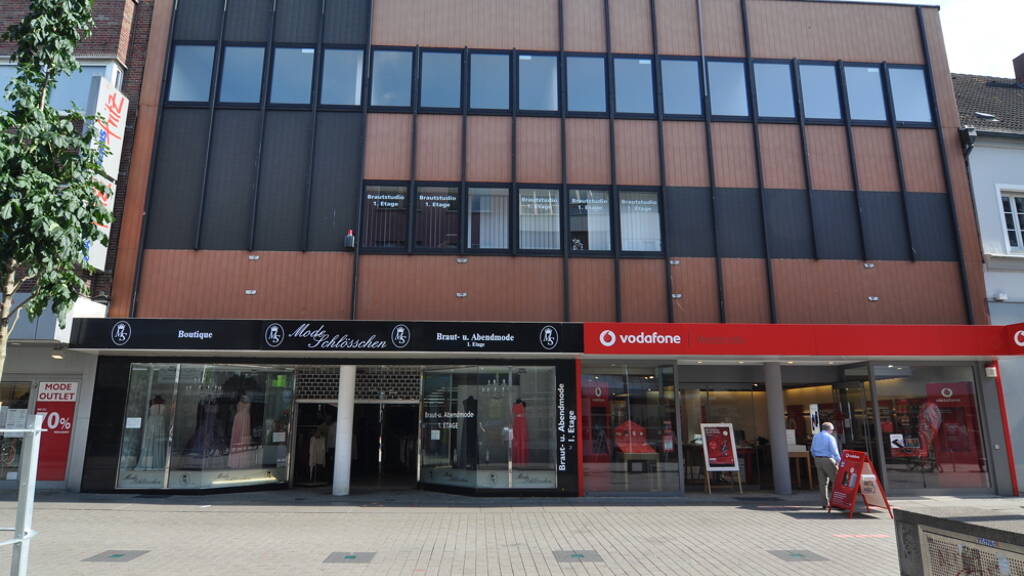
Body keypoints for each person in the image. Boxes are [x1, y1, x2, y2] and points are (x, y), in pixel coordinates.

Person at [811, 422, 842, 509]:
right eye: (832, 430)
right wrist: (839, 462)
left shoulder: (816, 436)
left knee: (822, 483)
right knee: (836, 481)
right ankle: (836, 502)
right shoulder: (830, 437)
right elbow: (834, 451)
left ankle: (824, 503)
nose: (832, 431)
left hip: (817, 459)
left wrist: (816, 458)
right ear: (829, 429)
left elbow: (812, 450)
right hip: (828, 459)